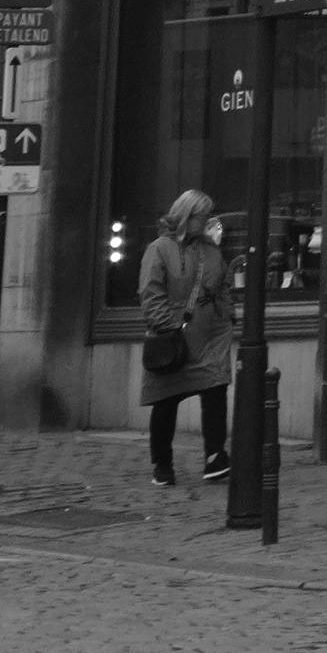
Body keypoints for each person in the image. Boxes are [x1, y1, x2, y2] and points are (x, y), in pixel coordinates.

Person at [138, 188, 234, 487]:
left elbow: (222, 287)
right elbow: (151, 293)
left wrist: (225, 317)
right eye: (201, 216)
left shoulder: (210, 250)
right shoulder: (160, 248)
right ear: (186, 215)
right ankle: (162, 464)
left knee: (215, 391)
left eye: (208, 216)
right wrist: (168, 327)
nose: (206, 221)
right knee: (165, 400)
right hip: (173, 336)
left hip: (209, 335)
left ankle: (214, 456)